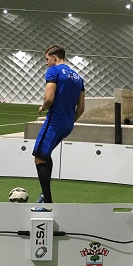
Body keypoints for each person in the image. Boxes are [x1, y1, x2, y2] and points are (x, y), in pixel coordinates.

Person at [33, 44, 85, 204]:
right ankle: (45, 196)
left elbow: (49, 98)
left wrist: (43, 107)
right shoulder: (78, 78)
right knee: (45, 154)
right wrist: (69, 121)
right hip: (68, 124)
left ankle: (47, 202)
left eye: (47, 59)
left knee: (39, 157)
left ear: (54, 57)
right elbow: (81, 108)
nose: (46, 63)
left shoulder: (53, 71)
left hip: (54, 121)